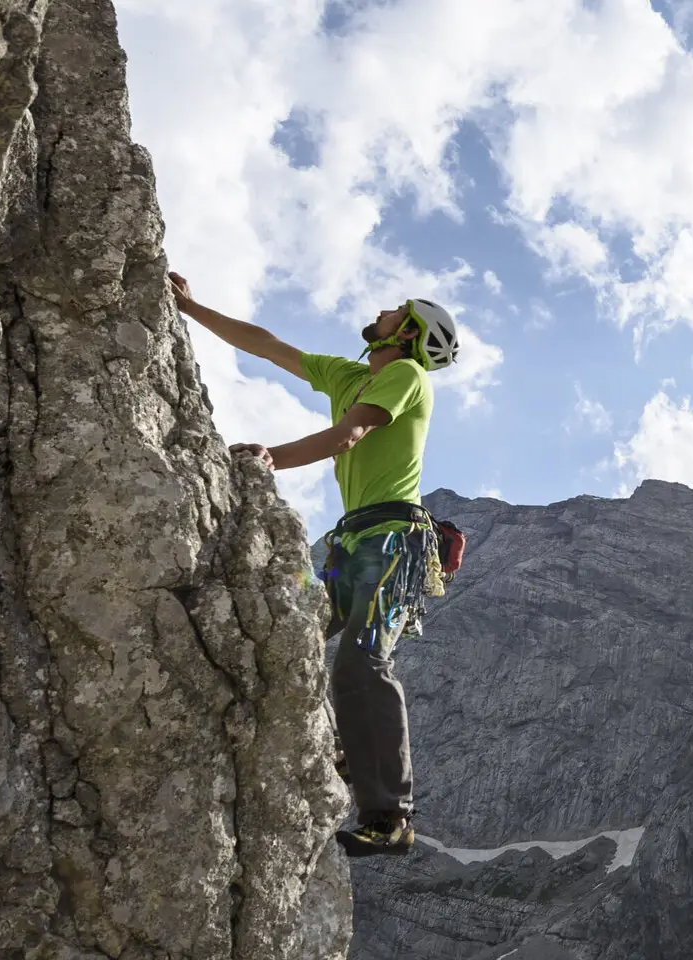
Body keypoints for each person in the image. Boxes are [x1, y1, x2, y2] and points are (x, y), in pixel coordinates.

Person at [168, 271, 457, 857]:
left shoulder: (406, 374)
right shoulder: (348, 375)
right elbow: (268, 345)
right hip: (349, 544)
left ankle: (391, 815)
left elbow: (349, 435)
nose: (383, 308)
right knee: (287, 625)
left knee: (360, 658)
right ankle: (345, 743)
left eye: (397, 309)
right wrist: (191, 308)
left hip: (394, 544)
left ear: (407, 334)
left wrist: (274, 455)